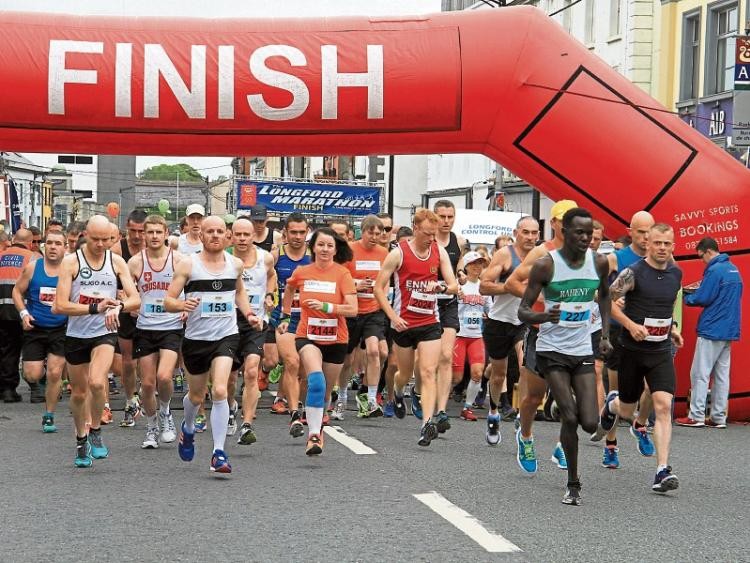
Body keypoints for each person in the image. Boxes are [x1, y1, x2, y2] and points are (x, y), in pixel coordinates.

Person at [518, 208, 612, 506]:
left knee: (589, 423)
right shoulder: (546, 265)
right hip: (551, 351)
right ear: (564, 232)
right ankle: (573, 483)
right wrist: (543, 316)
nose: (586, 238)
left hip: (582, 349)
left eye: (589, 233)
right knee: (570, 417)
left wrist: (605, 335)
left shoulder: (599, 263)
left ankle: (574, 404)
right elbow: (523, 310)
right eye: (579, 232)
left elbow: (606, 296)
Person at [165, 216, 256, 474]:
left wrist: (249, 313)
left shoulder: (235, 265)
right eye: (210, 231)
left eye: (219, 231)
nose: (215, 235)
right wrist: (181, 305)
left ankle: (218, 452)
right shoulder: (188, 265)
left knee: (219, 390)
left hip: (226, 336)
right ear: (201, 236)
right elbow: (168, 301)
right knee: (196, 396)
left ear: (227, 235)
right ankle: (188, 428)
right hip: (196, 339)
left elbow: (239, 292)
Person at [599, 223, 684, 493]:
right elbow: (606, 299)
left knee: (663, 406)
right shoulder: (633, 273)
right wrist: (630, 324)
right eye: (657, 243)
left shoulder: (676, 273)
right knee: (626, 410)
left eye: (667, 244)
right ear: (648, 244)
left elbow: (667, 304)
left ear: (673, 246)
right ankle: (612, 404)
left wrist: (671, 329)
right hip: (632, 351)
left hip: (660, 352)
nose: (662, 248)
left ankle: (662, 470)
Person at [54, 215, 140, 468]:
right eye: (96, 239)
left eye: (106, 240)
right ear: (85, 236)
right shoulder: (71, 262)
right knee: (79, 393)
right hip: (76, 334)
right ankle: (81, 438)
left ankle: (95, 430)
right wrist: (95, 308)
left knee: (96, 381)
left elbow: (135, 299)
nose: (101, 244)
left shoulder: (116, 262)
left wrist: (119, 306)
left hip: (105, 332)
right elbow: (60, 305)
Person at [504, 199, 577, 474]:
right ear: (555, 223)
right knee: (534, 397)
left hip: (573, 334)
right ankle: (525, 436)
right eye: (564, 220)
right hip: (541, 331)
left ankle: (562, 446)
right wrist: (542, 298)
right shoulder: (541, 252)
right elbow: (512, 282)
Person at [374, 208, 458, 446]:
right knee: (405, 373)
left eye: (434, 234)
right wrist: (393, 316)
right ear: (416, 228)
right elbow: (378, 288)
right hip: (403, 323)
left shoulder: (439, 251)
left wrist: (441, 287)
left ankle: (426, 424)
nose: (431, 238)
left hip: (429, 321)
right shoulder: (398, 254)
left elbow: (453, 286)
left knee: (429, 371)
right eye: (427, 233)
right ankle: (399, 391)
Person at [279, 227, 357, 455]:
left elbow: (353, 309)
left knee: (324, 393)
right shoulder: (302, 271)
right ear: (312, 247)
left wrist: (326, 307)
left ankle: (317, 424)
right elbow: (289, 288)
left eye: (329, 245)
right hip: (308, 336)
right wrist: (285, 315)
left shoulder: (342, 274)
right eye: (320, 244)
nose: (325, 249)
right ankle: (314, 435)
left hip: (336, 338)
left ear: (335, 250)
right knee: (316, 382)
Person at [596, 211, 656, 469]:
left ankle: (640, 424)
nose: (646, 237)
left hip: (650, 332)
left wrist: (673, 324)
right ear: (630, 232)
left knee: (652, 387)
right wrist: (612, 298)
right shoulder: (615, 259)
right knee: (617, 393)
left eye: (649, 231)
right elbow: (596, 291)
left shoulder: (660, 258)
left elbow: (670, 293)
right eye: (641, 232)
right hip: (619, 332)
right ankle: (611, 446)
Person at [479, 216, 539, 444]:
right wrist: (511, 287)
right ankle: (493, 412)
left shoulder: (542, 256)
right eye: (526, 232)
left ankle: (522, 414)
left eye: (534, 233)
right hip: (499, 322)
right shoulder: (505, 255)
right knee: (499, 375)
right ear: (516, 233)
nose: (530, 237)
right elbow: (484, 286)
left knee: (526, 367)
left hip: (524, 322)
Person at [128, 215, 185, 448]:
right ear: (144, 235)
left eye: (158, 232)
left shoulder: (178, 260)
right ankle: (151, 427)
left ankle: (166, 412)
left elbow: (192, 287)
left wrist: (186, 308)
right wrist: (130, 303)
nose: (153, 236)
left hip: (171, 326)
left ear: (166, 234)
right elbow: (126, 291)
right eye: (149, 232)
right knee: (148, 384)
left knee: (164, 377)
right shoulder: (135, 262)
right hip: (145, 327)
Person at [677, 237, 742, 428]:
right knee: (722, 375)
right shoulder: (733, 269)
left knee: (700, 372)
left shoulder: (715, 270)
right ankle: (718, 417)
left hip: (712, 328)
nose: (702, 261)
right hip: (729, 329)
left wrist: (686, 297)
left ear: (708, 252)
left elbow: (704, 297)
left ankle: (696, 415)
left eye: (701, 256)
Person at [335, 215, 388, 420]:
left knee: (375, 351)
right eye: (370, 233)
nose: (374, 237)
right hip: (352, 311)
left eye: (378, 234)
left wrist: (382, 293)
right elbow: (340, 277)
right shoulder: (349, 250)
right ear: (362, 232)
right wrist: (356, 285)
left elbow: (386, 279)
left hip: (373, 310)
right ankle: (341, 398)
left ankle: (371, 399)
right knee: (346, 360)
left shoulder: (384, 253)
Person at [13, 230, 67, 430]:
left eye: (58, 243)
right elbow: (17, 291)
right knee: (32, 375)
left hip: (60, 328)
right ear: (44, 246)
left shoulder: (70, 270)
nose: (53, 247)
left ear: (65, 248)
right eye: (50, 243)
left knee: (55, 373)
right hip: (35, 327)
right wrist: (24, 313)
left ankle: (49, 415)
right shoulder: (33, 268)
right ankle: (42, 370)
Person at [230, 217, 276, 445]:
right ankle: (231, 407)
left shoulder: (265, 258)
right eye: (238, 234)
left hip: (255, 322)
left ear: (253, 237)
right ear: (231, 236)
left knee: (250, 371)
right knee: (228, 378)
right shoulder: (224, 259)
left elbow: (272, 276)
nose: (242, 239)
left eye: (246, 235)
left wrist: (269, 295)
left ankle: (247, 424)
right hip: (228, 321)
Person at [270, 213, 311, 437]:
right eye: (293, 232)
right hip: (283, 317)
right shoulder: (276, 255)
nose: (297, 236)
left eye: (301, 232)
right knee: (292, 362)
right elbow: (266, 279)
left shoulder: (314, 257)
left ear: (307, 232)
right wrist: (268, 296)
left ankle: (297, 403)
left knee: (303, 370)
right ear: (285, 232)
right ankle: (294, 414)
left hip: (308, 319)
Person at [430, 200, 467, 433]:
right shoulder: (427, 241)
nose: (446, 221)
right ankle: (416, 391)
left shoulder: (458, 241)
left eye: (450, 217)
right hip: (425, 304)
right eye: (442, 216)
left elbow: (459, 265)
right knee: (424, 361)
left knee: (445, 356)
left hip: (448, 303)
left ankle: (441, 411)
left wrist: (461, 275)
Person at [112, 209, 147, 427]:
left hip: (148, 311)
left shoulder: (153, 249)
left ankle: (144, 390)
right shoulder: (117, 250)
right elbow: (107, 280)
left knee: (147, 358)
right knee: (127, 359)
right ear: (127, 227)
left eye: (141, 231)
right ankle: (130, 399)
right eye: (133, 231)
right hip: (125, 310)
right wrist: (119, 295)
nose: (137, 236)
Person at [453, 251, 491, 421]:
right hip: (459, 335)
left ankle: (467, 408)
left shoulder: (484, 287)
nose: (477, 267)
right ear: (466, 266)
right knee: (456, 378)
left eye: (480, 264)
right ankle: (434, 400)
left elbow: (490, 310)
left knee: (477, 373)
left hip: (476, 336)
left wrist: (489, 315)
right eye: (474, 263)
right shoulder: (458, 285)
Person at [0, 228, 36, 403]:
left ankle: (4, 387)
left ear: (14, 239)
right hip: (20, 310)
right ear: (30, 243)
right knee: (15, 350)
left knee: (4, 349)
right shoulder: (32, 258)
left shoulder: (1, 256)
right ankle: (9, 389)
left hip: (1, 309)